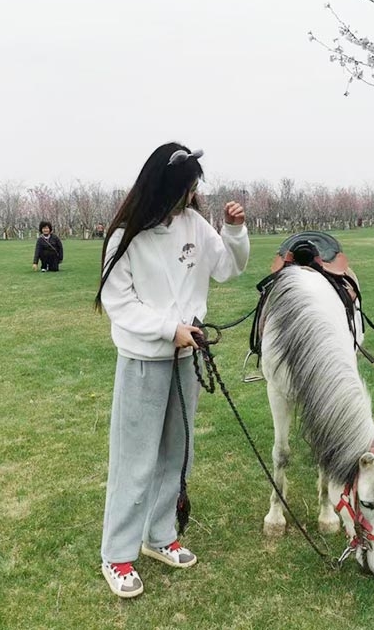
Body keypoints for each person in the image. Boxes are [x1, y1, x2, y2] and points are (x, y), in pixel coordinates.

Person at [94, 142, 249, 599]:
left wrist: (235, 230)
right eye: (186, 188)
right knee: (134, 459)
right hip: (145, 360)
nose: (191, 196)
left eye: (194, 188)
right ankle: (117, 553)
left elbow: (228, 269)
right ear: (164, 186)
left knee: (177, 453)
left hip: (185, 358)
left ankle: (160, 535)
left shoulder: (195, 225)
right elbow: (119, 302)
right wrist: (168, 329)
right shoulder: (126, 236)